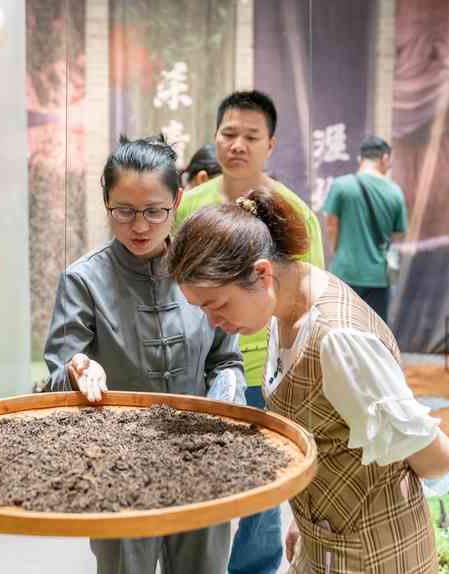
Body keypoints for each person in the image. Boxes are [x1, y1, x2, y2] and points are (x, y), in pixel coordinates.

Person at [168, 187, 449, 574]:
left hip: (375, 554)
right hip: (325, 539)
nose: (213, 322)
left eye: (217, 305)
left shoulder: (338, 339)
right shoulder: (285, 305)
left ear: (262, 273)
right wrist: (310, 524)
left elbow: (437, 458)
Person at [43, 134, 245, 574]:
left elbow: (225, 359)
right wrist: (78, 368)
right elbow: (60, 371)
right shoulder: (84, 280)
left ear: (177, 199)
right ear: (106, 204)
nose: (139, 227)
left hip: (200, 460)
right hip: (119, 469)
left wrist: (228, 387)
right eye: (125, 212)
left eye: (155, 211)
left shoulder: (203, 271)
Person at [173, 89, 324, 574]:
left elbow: (305, 299)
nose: (238, 144)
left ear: (270, 145)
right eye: (228, 133)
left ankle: (253, 569)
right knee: (195, 472)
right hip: (198, 365)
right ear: (215, 138)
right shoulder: (190, 203)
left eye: (251, 136)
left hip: (264, 369)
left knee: (262, 482)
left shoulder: (292, 212)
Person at [322, 135, 407, 323]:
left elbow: (331, 225)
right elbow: (397, 233)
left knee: (340, 331)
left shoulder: (341, 186)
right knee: (375, 335)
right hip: (378, 276)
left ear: (360, 159)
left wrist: (339, 252)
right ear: (385, 159)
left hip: (344, 273)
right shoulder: (395, 192)